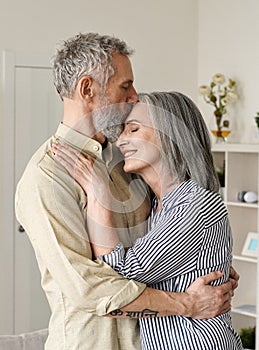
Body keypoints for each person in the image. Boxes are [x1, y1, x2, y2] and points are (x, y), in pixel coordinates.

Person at [15, 33, 238, 350]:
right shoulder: (46, 179)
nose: (134, 96)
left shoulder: (129, 160)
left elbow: (177, 230)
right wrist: (188, 304)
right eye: (125, 86)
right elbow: (88, 289)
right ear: (88, 89)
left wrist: (209, 264)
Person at [53, 91, 243, 349]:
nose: (120, 141)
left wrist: (99, 196)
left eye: (133, 129)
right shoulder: (156, 206)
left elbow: (120, 277)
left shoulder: (196, 204)